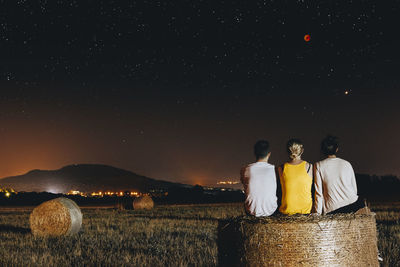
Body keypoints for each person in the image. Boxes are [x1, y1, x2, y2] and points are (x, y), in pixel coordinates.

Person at [314, 135, 364, 214]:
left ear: (323, 150)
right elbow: (354, 189)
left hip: (334, 208)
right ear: (337, 149)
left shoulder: (318, 166)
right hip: (353, 204)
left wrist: (317, 214)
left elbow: (318, 193)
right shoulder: (346, 164)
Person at [240, 140, 278, 217]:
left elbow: (244, 184)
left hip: (251, 211)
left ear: (255, 153)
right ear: (269, 154)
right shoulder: (275, 170)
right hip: (271, 211)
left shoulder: (245, 169)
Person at [278, 138, 313, 215]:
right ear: (302, 150)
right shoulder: (309, 167)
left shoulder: (281, 168)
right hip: (306, 211)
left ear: (287, 152)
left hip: (287, 211)